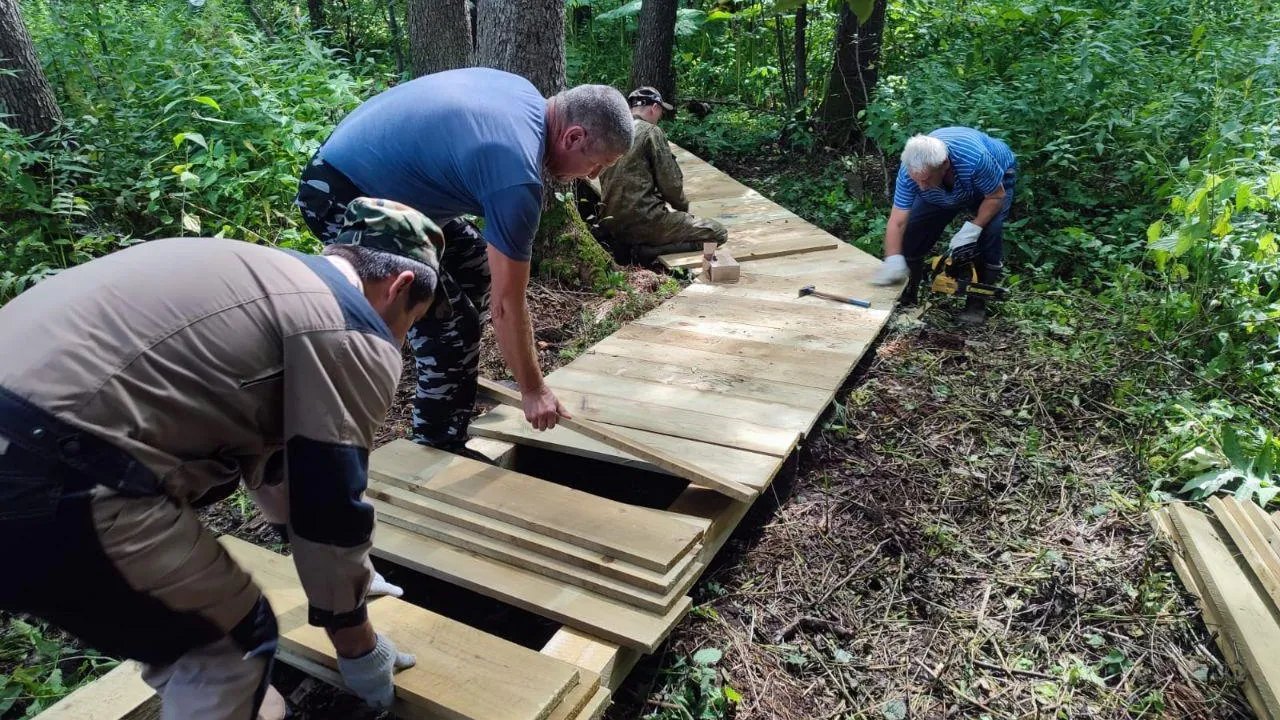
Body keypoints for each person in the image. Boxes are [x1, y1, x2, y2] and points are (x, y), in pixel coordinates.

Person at [0, 198, 453, 719]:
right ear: (398, 288)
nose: (399, 340)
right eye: (408, 323)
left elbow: (280, 467)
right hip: (50, 466)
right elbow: (327, 501)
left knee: (214, 665)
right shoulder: (348, 326)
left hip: (39, 450)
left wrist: (349, 576)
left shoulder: (259, 278)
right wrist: (356, 641)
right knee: (230, 649)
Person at [296, 68, 633, 455]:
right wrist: (534, 390)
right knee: (455, 326)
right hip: (341, 195)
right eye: (599, 164)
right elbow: (507, 306)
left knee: (476, 266)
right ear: (573, 136)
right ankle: (436, 440)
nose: (592, 175)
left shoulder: (525, 93)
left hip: (378, 180)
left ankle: (442, 369)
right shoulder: (516, 177)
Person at [870, 127, 1017, 324]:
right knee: (913, 232)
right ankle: (908, 295)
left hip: (992, 183)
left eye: (926, 179)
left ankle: (976, 304)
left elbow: (996, 196)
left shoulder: (976, 159)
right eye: (917, 181)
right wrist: (894, 258)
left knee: (989, 233)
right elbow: (898, 220)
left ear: (944, 164)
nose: (920, 187)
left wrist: (973, 228)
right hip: (943, 189)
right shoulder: (912, 171)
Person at [597, 86, 728, 264]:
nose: (659, 117)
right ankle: (648, 252)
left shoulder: (612, 132)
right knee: (717, 232)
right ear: (654, 108)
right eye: (660, 112)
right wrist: (682, 208)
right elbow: (671, 183)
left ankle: (626, 246)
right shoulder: (651, 132)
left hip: (610, 221)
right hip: (645, 221)